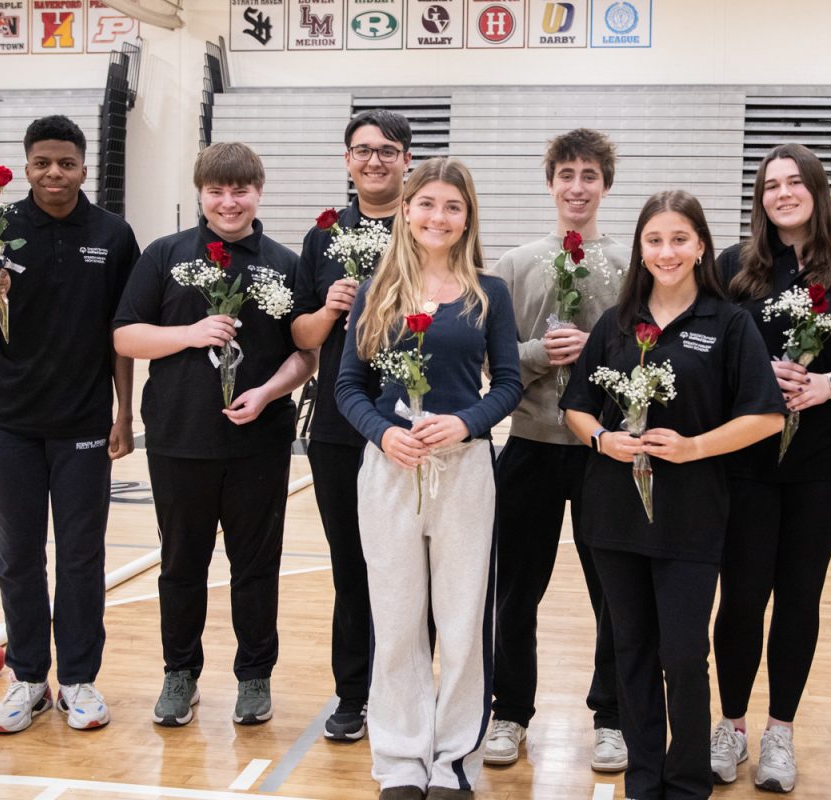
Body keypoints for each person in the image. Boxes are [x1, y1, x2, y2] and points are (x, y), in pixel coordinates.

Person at [562, 190, 785, 800]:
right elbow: (577, 408)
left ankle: (687, 783)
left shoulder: (728, 323)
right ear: (641, 248)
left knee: (684, 654)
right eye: (655, 240)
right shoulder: (616, 322)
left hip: (693, 515)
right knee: (630, 649)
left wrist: (693, 447)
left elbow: (766, 416)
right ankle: (644, 778)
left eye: (679, 239)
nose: (667, 251)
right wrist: (604, 439)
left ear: (701, 246)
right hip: (613, 514)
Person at [710, 144, 831, 791]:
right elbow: (704, 350)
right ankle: (730, 728)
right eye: (771, 185)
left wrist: (829, 385)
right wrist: (755, 374)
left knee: (798, 595)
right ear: (759, 198)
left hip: (826, 460)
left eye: (795, 182)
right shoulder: (734, 267)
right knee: (740, 596)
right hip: (745, 458)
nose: (783, 193)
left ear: (817, 191)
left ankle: (780, 735)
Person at [335, 157, 522, 800]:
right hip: (388, 470)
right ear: (407, 210)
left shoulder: (488, 292)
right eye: (427, 204)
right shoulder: (374, 291)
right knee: (395, 620)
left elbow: (510, 384)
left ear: (467, 217)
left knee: (464, 618)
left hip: (464, 472)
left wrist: (467, 423)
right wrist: (383, 432)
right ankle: (400, 760)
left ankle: (454, 762)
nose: (438, 217)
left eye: (453, 206)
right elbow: (348, 387)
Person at [113, 142, 315, 728]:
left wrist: (268, 393)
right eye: (216, 191)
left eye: (240, 190)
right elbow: (125, 337)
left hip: (259, 444)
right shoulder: (165, 255)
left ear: (258, 191)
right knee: (182, 565)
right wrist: (190, 333)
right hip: (179, 439)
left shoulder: (285, 262)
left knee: (255, 566)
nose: (229, 202)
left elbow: (306, 355)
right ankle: (180, 674)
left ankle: (255, 676)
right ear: (200, 193)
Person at [0, 114, 138, 733]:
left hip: (84, 420)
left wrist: (124, 410)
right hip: (8, 420)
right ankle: (29, 678)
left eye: (66, 163)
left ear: (85, 168)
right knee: (17, 555)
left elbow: (122, 334)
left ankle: (80, 680)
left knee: (82, 556)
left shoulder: (112, 234)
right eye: (42, 163)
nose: (54, 173)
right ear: (26, 166)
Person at [485, 128, 629, 772]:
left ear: (605, 185)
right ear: (550, 183)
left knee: (615, 593)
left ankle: (613, 718)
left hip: (602, 451)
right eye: (566, 174)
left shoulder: (630, 268)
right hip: (530, 448)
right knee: (516, 592)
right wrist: (543, 355)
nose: (577, 186)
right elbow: (491, 366)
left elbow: (642, 361)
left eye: (589, 175)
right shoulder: (514, 266)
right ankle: (510, 713)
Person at [291, 109, 412, 741]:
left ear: (406, 161)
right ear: (347, 160)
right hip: (340, 424)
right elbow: (303, 336)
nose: (374, 160)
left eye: (387, 151)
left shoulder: (429, 222)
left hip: (414, 421)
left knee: (412, 566)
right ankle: (353, 694)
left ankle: (411, 688)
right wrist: (333, 307)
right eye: (362, 150)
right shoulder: (324, 236)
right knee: (352, 566)